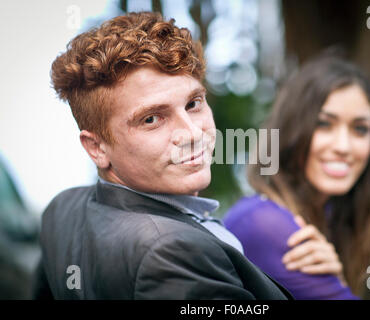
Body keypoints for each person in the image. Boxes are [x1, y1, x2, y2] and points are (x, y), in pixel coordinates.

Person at [32, 12, 292, 300]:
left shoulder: (62, 208)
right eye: (152, 119)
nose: (192, 134)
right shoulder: (174, 251)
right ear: (96, 148)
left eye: (193, 103)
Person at [223, 54, 370, 299]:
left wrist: (335, 281)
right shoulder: (265, 224)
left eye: (360, 129)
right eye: (324, 124)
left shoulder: (330, 217)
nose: (343, 146)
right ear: (290, 132)